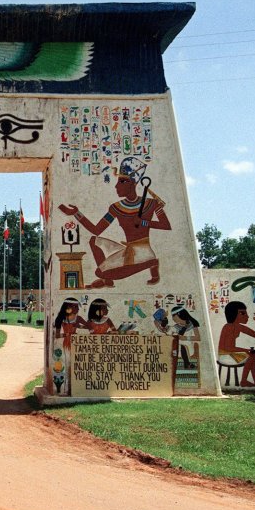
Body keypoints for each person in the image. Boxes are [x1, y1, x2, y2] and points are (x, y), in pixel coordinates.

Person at [57, 157, 171, 288]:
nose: (116, 186)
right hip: (128, 249)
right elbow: (96, 230)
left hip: (143, 251)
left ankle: (150, 263)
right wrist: (76, 213)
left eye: (122, 181)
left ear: (133, 183)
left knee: (103, 272)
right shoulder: (116, 207)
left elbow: (165, 225)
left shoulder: (151, 203)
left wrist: (144, 222)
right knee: (94, 242)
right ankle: (108, 279)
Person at [217, 301, 255, 387]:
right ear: (234, 314)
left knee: (253, 356)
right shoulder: (229, 327)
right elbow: (228, 347)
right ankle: (244, 381)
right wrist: (245, 350)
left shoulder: (238, 326)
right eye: (243, 313)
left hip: (231, 354)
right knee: (251, 356)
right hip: (225, 355)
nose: (247, 316)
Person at [170, 305, 201, 369]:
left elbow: (198, 337)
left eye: (174, 316)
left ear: (180, 315)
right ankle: (187, 364)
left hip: (188, 348)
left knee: (183, 346)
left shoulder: (192, 324)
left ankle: (187, 364)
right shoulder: (175, 326)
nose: (173, 318)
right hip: (176, 347)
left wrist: (186, 338)